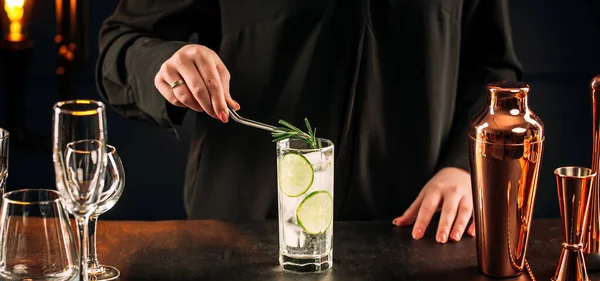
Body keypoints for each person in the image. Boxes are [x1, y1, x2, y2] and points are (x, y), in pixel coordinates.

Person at [96, 0, 522, 243]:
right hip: (244, 234)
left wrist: (464, 164)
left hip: (414, 232)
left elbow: (494, 71)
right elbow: (122, 42)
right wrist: (164, 63)